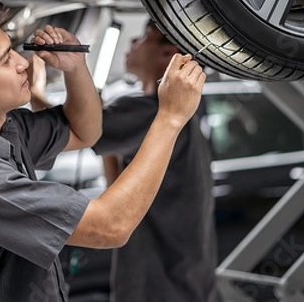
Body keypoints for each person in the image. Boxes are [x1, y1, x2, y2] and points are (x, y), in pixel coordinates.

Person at [0, 0, 206, 302]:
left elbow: (83, 131)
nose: (23, 62)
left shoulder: (4, 129)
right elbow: (110, 226)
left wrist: (75, 68)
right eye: (6, 59)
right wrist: (170, 117)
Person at [92, 20, 219, 302]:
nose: (132, 44)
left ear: (169, 53)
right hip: (187, 283)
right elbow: (116, 183)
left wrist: (41, 84)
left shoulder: (150, 112)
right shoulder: (185, 116)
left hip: (158, 287)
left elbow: (78, 130)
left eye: (142, 37)